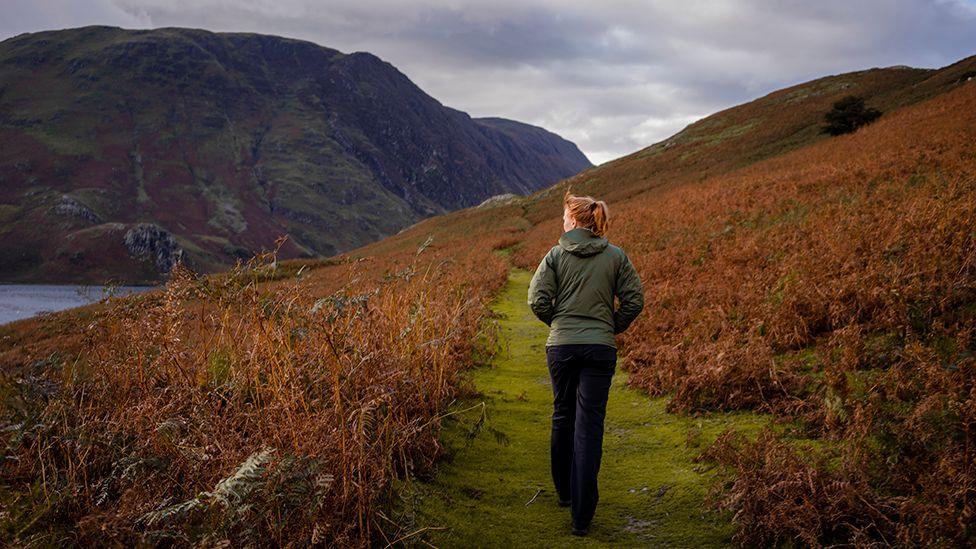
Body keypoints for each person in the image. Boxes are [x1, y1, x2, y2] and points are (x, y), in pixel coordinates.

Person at [527, 190, 645, 537]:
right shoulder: (615, 256)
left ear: (575, 220)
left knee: (563, 414)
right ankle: (582, 517)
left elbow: (536, 299)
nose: (562, 222)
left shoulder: (554, 255)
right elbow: (635, 299)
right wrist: (610, 326)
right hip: (599, 349)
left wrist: (558, 324)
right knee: (589, 426)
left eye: (564, 217)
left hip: (561, 348)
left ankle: (564, 493)